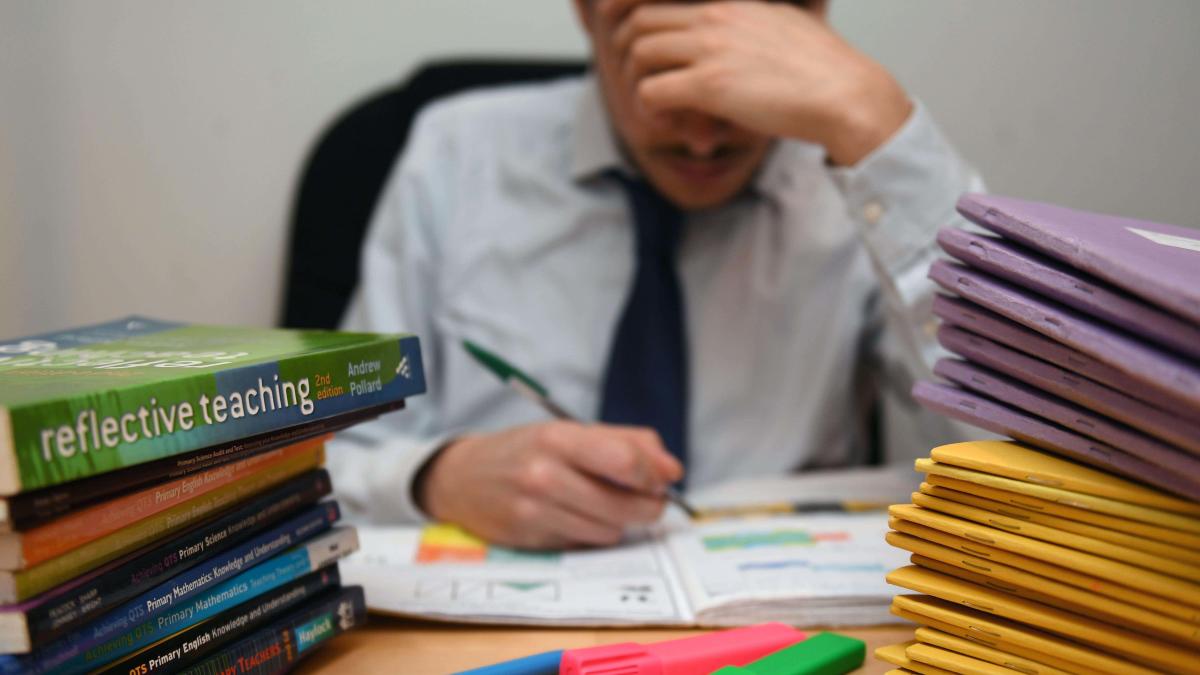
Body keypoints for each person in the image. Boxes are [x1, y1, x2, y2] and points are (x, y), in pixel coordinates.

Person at [328, 0, 982, 549]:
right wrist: (437, 477)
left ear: (809, 20)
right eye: (659, 66)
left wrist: (878, 127)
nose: (702, 140)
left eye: (732, 75)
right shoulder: (455, 157)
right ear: (589, 11)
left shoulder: (865, 185)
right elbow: (320, 469)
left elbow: (1026, 468)